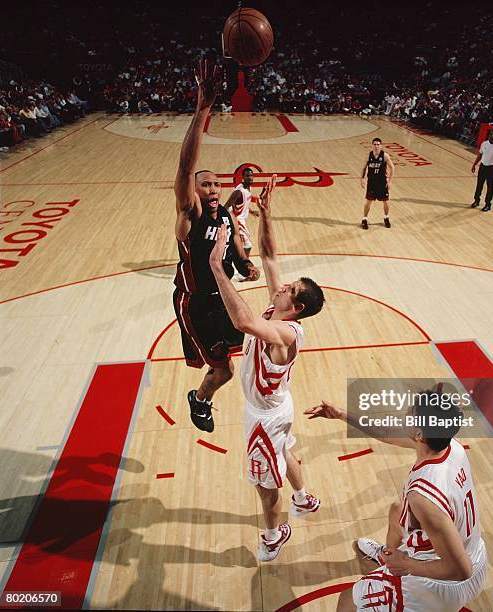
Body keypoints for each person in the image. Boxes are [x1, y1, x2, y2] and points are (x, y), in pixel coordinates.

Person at [209, 175, 325, 562]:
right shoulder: (281, 309)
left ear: (298, 307)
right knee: (285, 452)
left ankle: (275, 533)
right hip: (277, 407)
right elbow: (271, 257)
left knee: (264, 485)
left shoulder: (283, 334)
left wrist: (218, 269)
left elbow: (243, 322)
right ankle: (304, 499)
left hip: (265, 417)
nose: (281, 286)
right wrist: (266, 216)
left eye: (289, 290)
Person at [305, 388, 487, 611]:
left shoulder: (423, 497)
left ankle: (397, 566)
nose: (405, 414)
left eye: (410, 413)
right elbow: (385, 431)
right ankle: (387, 556)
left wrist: (407, 564)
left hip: (440, 584)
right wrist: (342, 414)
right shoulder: (451, 446)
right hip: (476, 555)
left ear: (419, 434)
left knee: (346, 601)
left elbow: (460, 570)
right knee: (397, 509)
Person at [173, 59, 260, 433]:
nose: (211, 189)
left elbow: (237, 252)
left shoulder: (225, 215)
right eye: (204, 184)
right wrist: (202, 109)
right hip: (195, 302)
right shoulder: (190, 214)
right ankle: (200, 399)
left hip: (223, 298)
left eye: (215, 184)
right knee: (221, 368)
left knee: (254, 345)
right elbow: (184, 166)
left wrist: (247, 267)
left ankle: (256, 398)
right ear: (194, 190)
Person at [224, 166, 260, 277]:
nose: (250, 178)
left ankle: (239, 264)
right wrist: (225, 220)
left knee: (237, 245)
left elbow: (243, 205)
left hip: (240, 219)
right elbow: (226, 206)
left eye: (251, 175)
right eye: (247, 176)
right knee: (247, 245)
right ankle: (243, 270)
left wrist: (252, 212)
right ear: (243, 177)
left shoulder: (248, 189)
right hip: (236, 220)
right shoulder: (239, 192)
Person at [361, 137, 395, 229]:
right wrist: (362, 178)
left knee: (386, 202)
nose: (376, 146)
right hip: (372, 182)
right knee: (368, 201)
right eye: (375, 144)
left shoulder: (385, 156)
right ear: (372, 145)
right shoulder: (369, 155)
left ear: (381, 145)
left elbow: (392, 167)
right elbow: (364, 168)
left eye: (378, 144)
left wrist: (390, 181)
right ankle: (364, 219)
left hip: (382, 182)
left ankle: (386, 217)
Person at [470, 128, 493, 212]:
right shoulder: (484, 144)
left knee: (490, 187)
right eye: (491, 134)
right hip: (482, 166)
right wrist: (474, 164)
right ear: (489, 135)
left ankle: (488, 204)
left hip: (491, 168)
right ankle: (476, 200)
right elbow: (480, 155)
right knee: (479, 185)